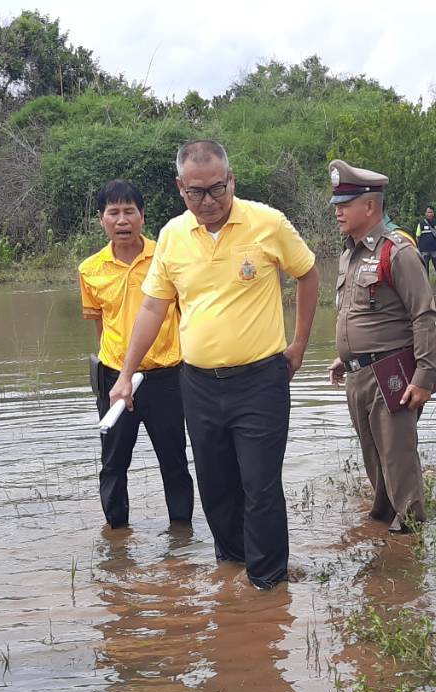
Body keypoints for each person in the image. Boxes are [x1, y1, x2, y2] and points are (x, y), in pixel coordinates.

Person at [108, 140, 319, 589]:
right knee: (216, 486)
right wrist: (126, 374)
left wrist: (299, 343)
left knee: (260, 486)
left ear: (231, 180)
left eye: (217, 190)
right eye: (196, 193)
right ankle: (233, 570)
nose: (208, 202)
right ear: (180, 188)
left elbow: (307, 273)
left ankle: (267, 585)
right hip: (199, 385)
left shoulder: (267, 223)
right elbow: (152, 308)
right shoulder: (172, 236)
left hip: (261, 379)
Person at [325, 159, 436, 533]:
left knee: (398, 461)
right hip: (358, 375)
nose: (338, 211)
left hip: (391, 374)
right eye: (337, 205)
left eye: (345, 204)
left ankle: (410, 539)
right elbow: (363, 314)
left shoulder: (399, 251)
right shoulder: (349, 253)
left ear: (370, 206)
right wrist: (345, 357)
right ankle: (382, 528)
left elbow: (423, 316)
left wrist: (424, 376)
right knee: (373, 460)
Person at [79, 179, 194, 530]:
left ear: (143, 216)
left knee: (174, 462)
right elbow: (100, 326)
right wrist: (115, 371)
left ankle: (181, 536)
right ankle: (116, 538)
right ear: (101, 220)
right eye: (113, 212)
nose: (122, 219)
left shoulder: (166, 257)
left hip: (166, 378)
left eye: (129, 211)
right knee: (113, 463)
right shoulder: (90, 269)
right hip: (115, 381)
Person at [415, 205, 436, 279]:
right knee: (425, 272)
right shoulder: (421, 224)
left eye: (431, 212)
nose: (430, 214)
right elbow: (417, 237)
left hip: (435, 250)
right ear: (425, 213)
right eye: (428, 212)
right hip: (424, 251)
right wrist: (417, 250)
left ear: (433, 213)